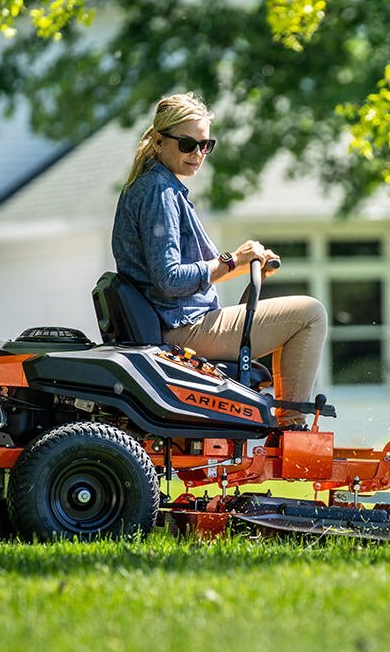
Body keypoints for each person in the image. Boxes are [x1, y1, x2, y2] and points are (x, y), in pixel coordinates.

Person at [111, 92, 327, 427]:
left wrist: (243, 264)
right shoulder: (159, 192)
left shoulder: (155, 186)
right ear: (158, 141)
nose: (197, 154)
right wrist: (231, 260)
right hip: (183, 329)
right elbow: (169, 279)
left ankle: (288, 420)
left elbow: (194, 277)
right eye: (187, 144)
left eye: (205, 145)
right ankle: (292, 427)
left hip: (178, 321)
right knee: (311, 314)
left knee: (303, 314)